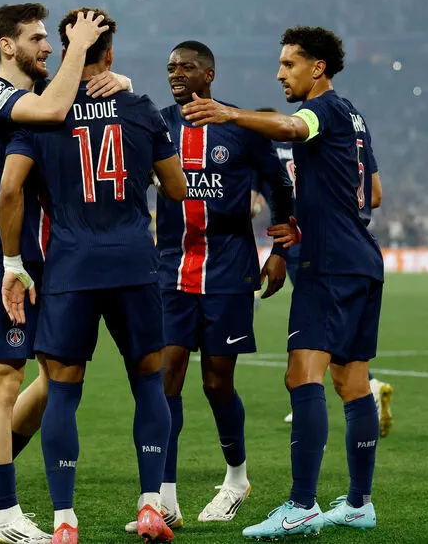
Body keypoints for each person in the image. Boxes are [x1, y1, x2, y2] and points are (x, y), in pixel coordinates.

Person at [182, 26, 383, 537]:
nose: (279, 74)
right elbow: (374, 193)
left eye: (289, 64)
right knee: (352, 382)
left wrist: (229, 114)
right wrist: (312, 216)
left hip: (329, 264)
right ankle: (359, 503)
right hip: (361, 257)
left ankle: (302, 505)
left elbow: (293, 127)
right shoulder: (355, 116)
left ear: (318, 68)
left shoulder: (323, 109)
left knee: (302, 376)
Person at [0, 7, 187, 544]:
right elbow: (176, 188)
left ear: (66, 50)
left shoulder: (42, 110)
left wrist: (12, 263)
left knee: (62, 392)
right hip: (134, 263)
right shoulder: (140, 108)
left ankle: (64, 521)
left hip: (71, 266)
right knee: (148, 383)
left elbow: (10, 189)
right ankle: (150, 506)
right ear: (112, 53)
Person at [0, 2, 132, 543]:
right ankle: (6, 516)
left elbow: (89, 106)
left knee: (59, 376)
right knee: (3, 380)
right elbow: (55, 110)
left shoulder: (42, 92)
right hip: (5, 255)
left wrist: (121, 81)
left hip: (56, 257)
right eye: (37, 38)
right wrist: (79, 47)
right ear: (7, 46)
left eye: (49, 38)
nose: (48, 46)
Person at [123, 41, 294, 535]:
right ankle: (166, 497)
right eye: (171, 67)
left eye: (187, 67)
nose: (176, 73)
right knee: (166, 378)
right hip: (172, 272)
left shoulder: (240, 128)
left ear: (209, 75)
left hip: (228, 271)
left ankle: (237, 478)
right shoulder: (157, 124)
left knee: (217, 382)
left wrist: (280, 248)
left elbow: (280, 186)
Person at [256, 107, 394, 437]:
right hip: (360, 250)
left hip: (314, 246)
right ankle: (361, 388)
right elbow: (375, 195)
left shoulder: (279, 144)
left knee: (311, 349)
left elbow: (253, 203)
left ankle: (321, 395)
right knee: (342, 350)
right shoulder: (351, 123)